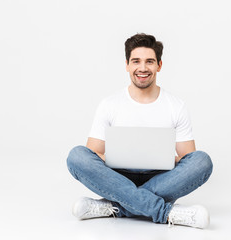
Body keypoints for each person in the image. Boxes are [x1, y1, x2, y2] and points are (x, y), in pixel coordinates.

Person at [67, 33, 213, 229]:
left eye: (149, 61)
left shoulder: (175, 106)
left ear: (159, 65)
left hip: (161, 177)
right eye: (136, 61)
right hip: (118, 176)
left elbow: (189, 158)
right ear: (127, 65)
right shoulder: (109, 104)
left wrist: (164, 158)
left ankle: (116, 206)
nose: (143, 68)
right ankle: (165, 212)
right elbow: (91, 153)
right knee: (77, 156)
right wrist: (116, 157)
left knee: (202, 161)